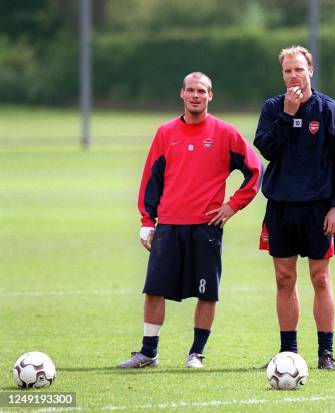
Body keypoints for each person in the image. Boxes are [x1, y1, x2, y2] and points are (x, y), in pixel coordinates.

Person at [117, 72, 262, 369]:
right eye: (191, 90)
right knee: (154, 289)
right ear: (181, 94)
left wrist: (232, 206)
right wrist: (148, 221)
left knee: (207, 292)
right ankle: (148, 352)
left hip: (206, 227)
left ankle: (196, 353)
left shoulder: (225, 133)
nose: (196, 95)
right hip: (169, 224)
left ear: (211, 96)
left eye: (202, 91)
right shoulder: (165, 133)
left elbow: (255, 170)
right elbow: (151, 180)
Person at [254, 46, 335, 370]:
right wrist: (287, 115)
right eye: (287, 71)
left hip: (318, 210)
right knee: (284, 279)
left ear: (310, 70)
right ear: (282, 73)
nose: (293, 75)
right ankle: (288, 353)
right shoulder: (273, 108)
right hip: (282, 207)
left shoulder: (330, 111)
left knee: (320, 278)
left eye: (299, 69)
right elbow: (267, 149)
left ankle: (326, 352)